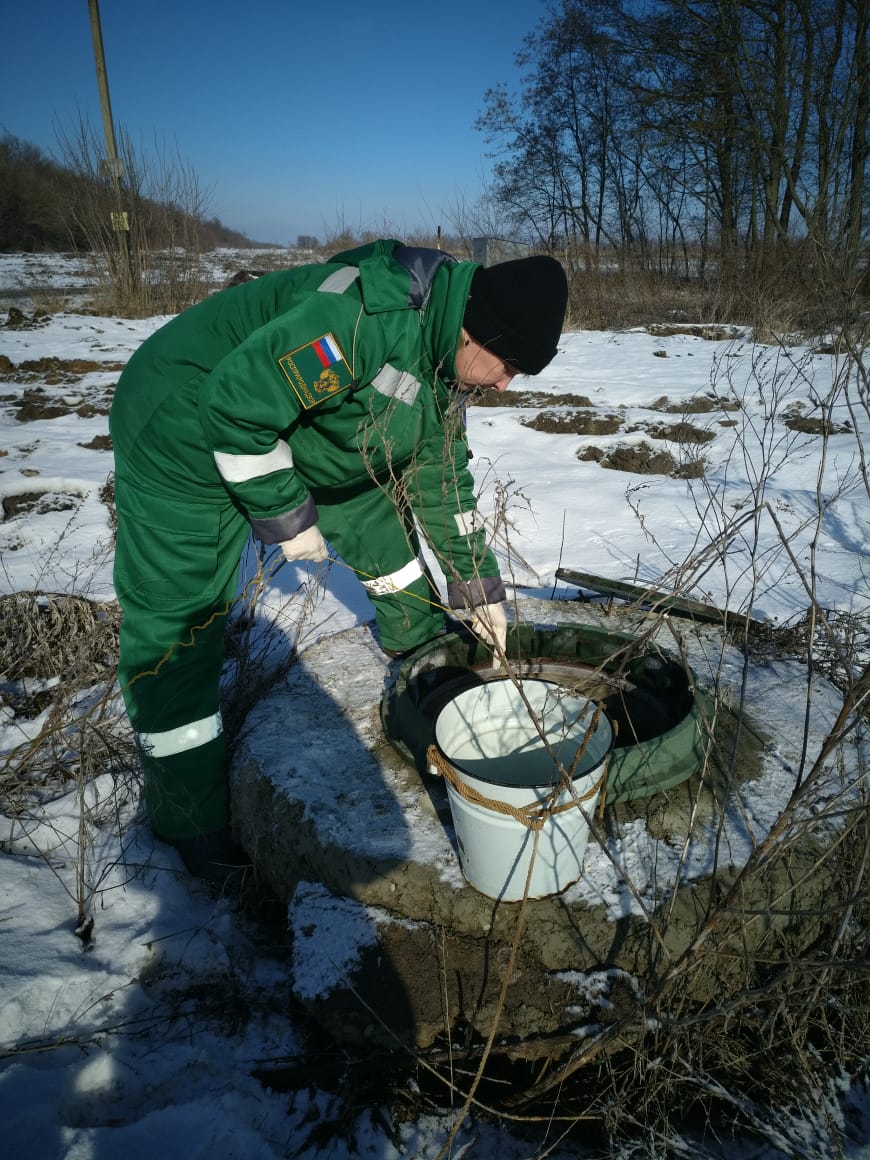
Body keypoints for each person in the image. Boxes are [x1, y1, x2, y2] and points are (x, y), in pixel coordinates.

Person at [109, 238, 568, 882]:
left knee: (378, 518)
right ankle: (191, 818)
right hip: (183, 415)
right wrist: (286, 512)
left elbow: (440, 475)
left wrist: (476, 584)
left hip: (304, 425)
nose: (504, 383)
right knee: (181, 619)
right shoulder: (363, 319)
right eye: (506, 363)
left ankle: (420, 654)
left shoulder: (441, 353)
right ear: (475, 329)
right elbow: (236, 406)